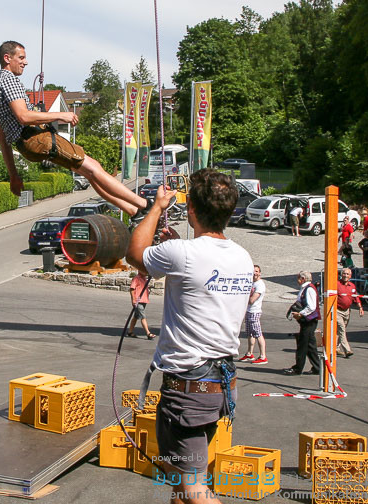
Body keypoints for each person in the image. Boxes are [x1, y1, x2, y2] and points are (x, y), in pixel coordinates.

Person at [126, 169, 252, 502]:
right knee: (182, 485)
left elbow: (134, 255)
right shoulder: (242, 256)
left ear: (191, 209)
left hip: (189, 390)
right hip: (220, 385)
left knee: (194, 486)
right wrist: (173, 250)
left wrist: (155, 208)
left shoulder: (183, 253)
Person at [0, 41, 151, 218]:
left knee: (90, 173)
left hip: (27, 146)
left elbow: (3, 138)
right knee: (94, 168)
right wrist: (61, 115)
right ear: (7, 58)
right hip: (37, 139)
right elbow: (24, 116)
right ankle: (145, 204)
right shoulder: (10, 80)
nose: (25, 62)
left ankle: (134, 211)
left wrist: (13, 175)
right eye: (21, 57)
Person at [282, 271, 322, 376]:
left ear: (303, 278)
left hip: (309, 320)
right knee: (310, 345)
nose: (297, 280)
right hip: (309, 320)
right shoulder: (306, 288)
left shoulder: (309, 289)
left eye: (298, 278)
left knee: (302, 345)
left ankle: (297, 368)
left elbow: (312, 307)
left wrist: (301, 313)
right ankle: (317, 367)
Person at [238, 264, 267, 364]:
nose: (255, 273)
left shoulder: (260, 285)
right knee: (250, 334)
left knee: (258, 334)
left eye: (257, 271)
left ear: (260, 273)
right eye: (253, 271)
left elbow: (251, 300)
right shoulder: (252, 283)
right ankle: (249, 353)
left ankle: (263, 356)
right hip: (249, 311)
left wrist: (242, 297)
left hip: (255, 311)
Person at [335, 267, 364, 358]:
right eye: (344, 274)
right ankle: (347, 350)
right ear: (341, 274)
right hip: (337, 311)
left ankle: (335, 347)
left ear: (350, 276)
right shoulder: (336, 284)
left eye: (347, 274)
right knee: (342, 329)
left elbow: (356, 297)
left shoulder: (352, 286)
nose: (345, 276)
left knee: (339, 331)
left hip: (347, 311)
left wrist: (360, 308)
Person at [128, 269, 156, 339]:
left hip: (144, 300)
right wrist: (133, 299)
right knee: (143, 317)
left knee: (136, 316)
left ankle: (130, 331)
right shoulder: (136, 278)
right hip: (138, 301)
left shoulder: (145, 279)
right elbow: (132, 289)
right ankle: (148, 333)